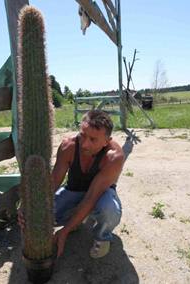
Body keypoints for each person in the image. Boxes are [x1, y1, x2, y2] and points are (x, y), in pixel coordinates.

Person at [18, 110, 124, 259]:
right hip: (73, 190)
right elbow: (53, 181)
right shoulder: (68, 146)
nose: (85, 144)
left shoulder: (114, 157)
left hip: (100, 195)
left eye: (93, 139)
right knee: (41, 214)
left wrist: (64, 231)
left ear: (106, 141)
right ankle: (77, 220)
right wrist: (30, 205)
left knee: (109, 210)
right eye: (83, 135)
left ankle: (102, 236)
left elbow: (91, 197)